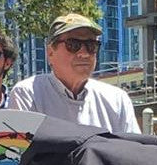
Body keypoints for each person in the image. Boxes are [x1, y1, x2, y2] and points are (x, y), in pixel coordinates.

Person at [7, 13, 140, 133]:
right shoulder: (28, 95)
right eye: (73, 45)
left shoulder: (117, 100)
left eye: (91, 45)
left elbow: (132, 154)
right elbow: (22, 155)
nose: (84, 53)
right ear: (50, 52)